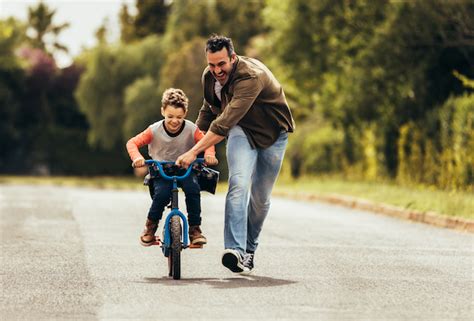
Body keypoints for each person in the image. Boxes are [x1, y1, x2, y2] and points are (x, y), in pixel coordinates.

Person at [176, 35, 295, 273]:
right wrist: (187, 141)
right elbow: (209, 110)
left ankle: (249, 250)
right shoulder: (209, 76)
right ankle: (235, 251)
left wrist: (193, 152)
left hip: (274, 134)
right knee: (238, 183)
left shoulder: (250, 76)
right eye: (211, 64)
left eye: (221, 64)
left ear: (233, 57)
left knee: (260, 199)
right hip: (243, 131)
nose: (217, 70)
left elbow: (223, 124)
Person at [126, 88, 218, 247]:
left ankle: (195, 230)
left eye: (179, 117)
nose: (174, 121)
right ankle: (150, 228)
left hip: (185, 168)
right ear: (162, 111)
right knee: (161, 195)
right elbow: (132, 143)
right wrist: (138, 158)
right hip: (161, 170)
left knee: (193, 189)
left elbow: (207, 141)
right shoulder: (154, 130)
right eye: (170, 116)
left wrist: (209, 154)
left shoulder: (191, 129)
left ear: (186, 113)